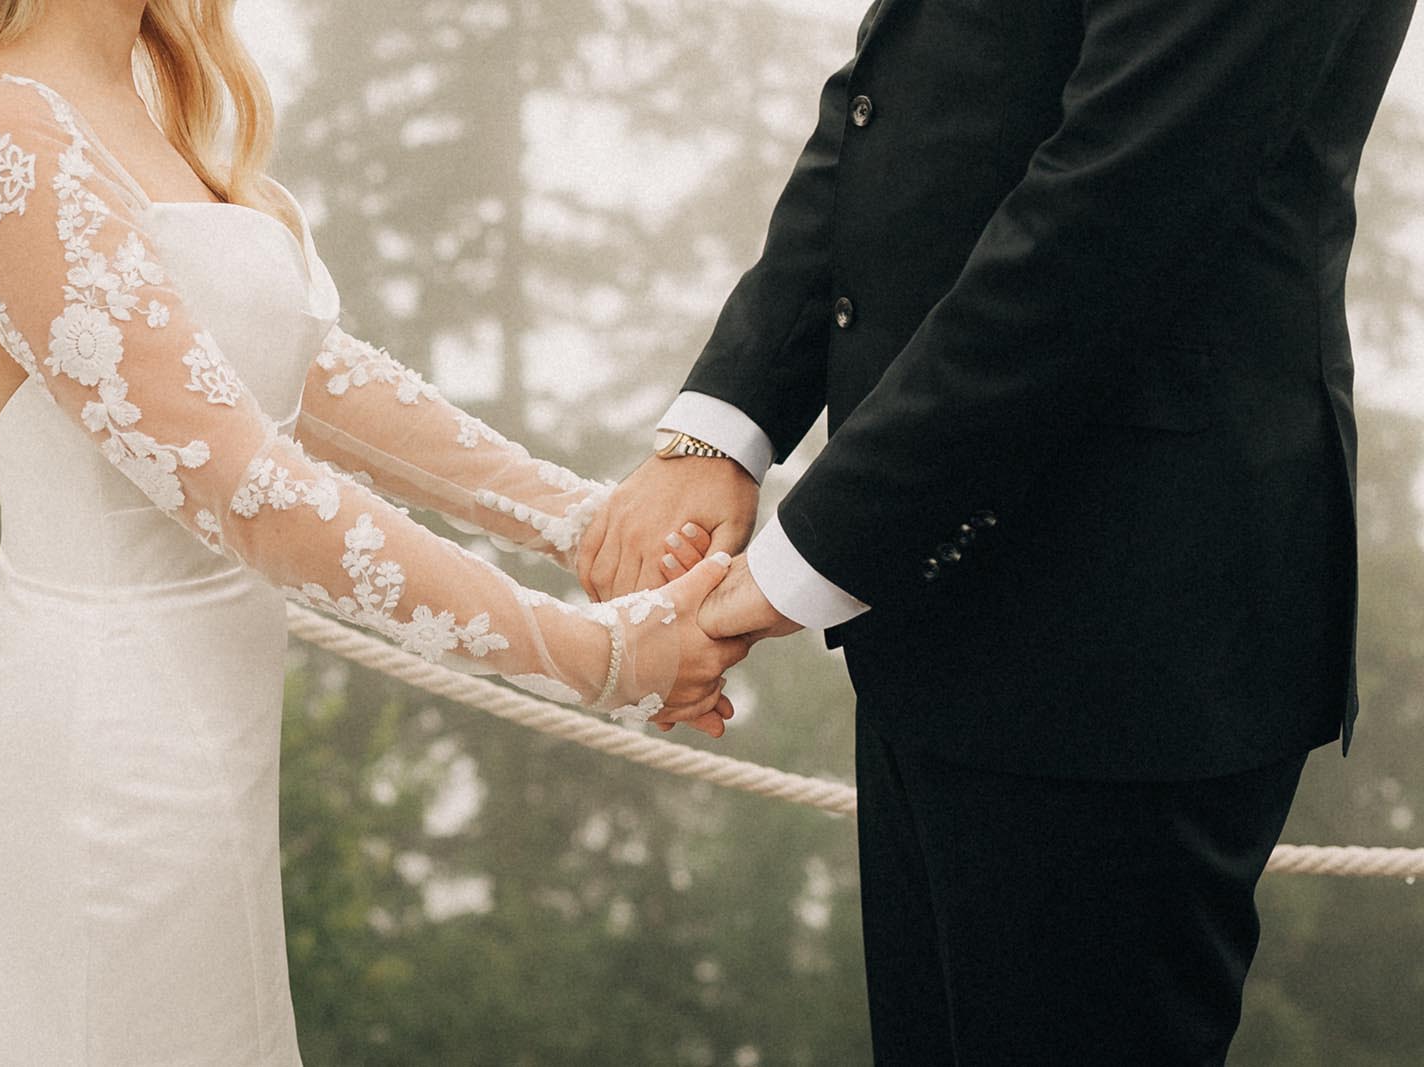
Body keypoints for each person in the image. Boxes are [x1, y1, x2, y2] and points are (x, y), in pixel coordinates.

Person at [0, 1, 750, 1062]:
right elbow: (238, 480)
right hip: (99, 757)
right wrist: (593, 652)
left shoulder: (141, 101)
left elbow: (312, 377)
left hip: (203, 739)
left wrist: (588, 524)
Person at [581, 0, 1417, 1062]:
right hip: (931, 606)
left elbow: (1113, 208)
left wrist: (807, 559)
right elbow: (895, 92)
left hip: (1127, 635)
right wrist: (720, 427)